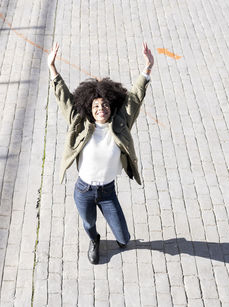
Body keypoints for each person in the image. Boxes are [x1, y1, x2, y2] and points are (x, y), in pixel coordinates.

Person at [48, 42, 154, 264]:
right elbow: (64, 99)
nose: (100, 109)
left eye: (104, 105)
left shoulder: (120, 123)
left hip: (107, 191)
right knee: (88, 223)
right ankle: (94, 240)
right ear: (89, 108)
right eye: (95, 107)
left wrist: (147, 68)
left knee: (124, 238)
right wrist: (53, 68)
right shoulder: (80, 123)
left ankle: (118, 238)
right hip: (83, 190)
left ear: (111, 106)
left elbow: (134, 97)